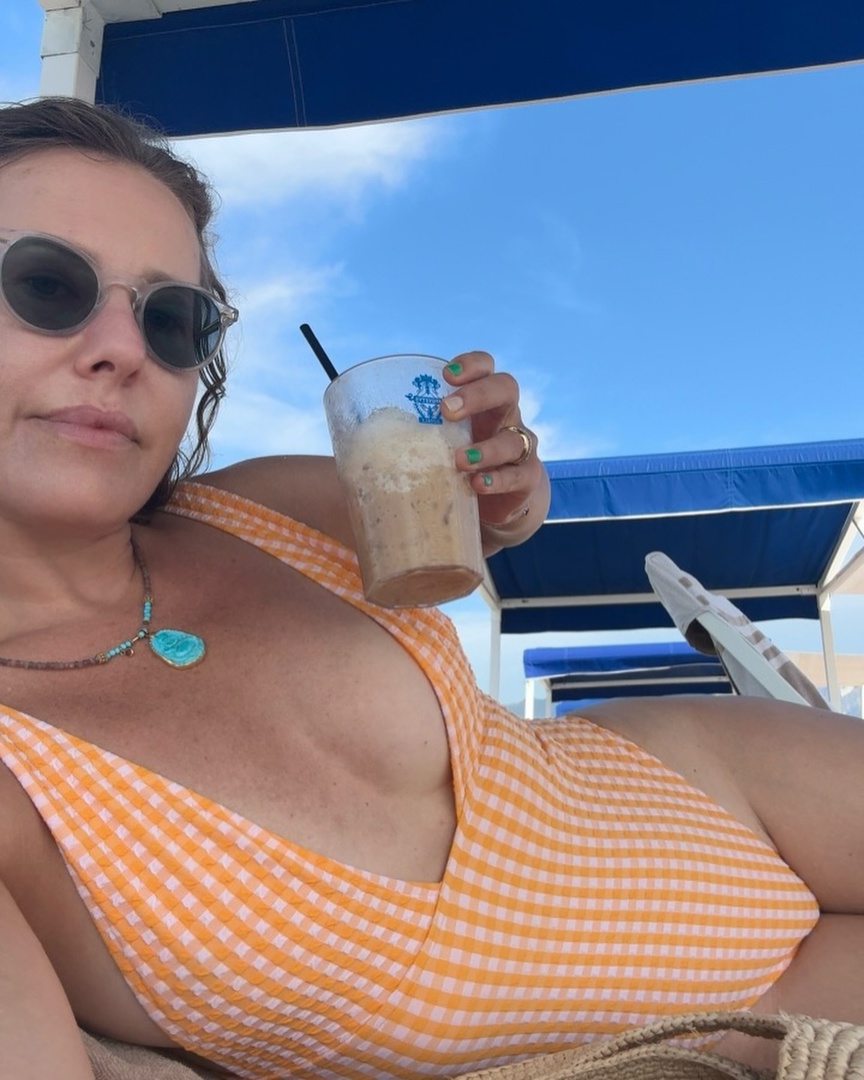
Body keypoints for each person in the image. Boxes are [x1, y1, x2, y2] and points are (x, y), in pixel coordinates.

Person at [0, 95, 860, 1080]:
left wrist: (506, 475)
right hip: (741, 1023)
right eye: (46, 284)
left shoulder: (247, 512)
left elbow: (479, 511)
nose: (123, 349)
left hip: (723, 788)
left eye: (171, 319)